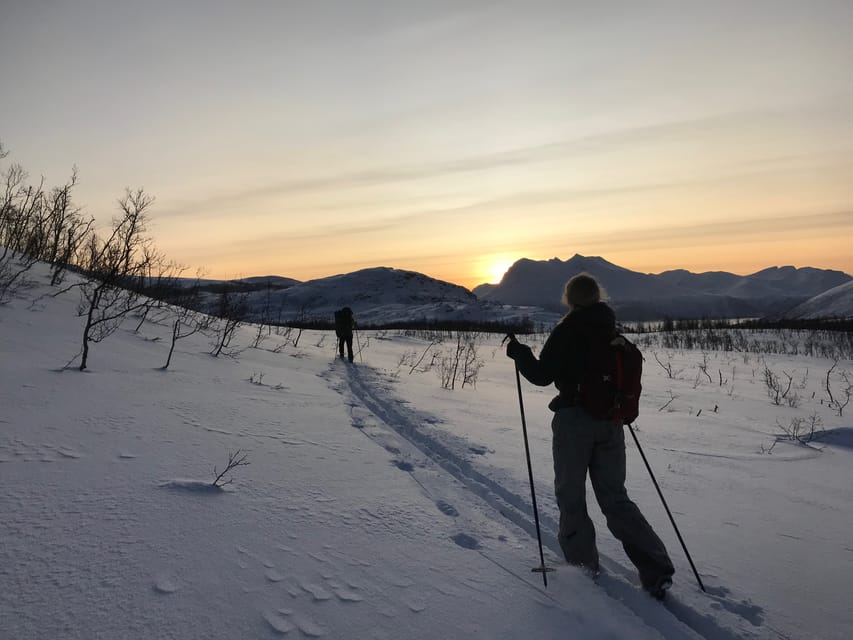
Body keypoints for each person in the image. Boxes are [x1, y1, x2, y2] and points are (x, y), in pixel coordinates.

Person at [505, 273, 674, 600]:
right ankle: (656, 568)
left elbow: (542, 376)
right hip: (611, 422)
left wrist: (519, 353)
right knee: (615, 498)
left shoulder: (568, 329)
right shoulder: (610, 327)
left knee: (571, 495)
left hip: (574, 422)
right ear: (598, 297)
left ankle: (582, 567)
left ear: (570, 299)